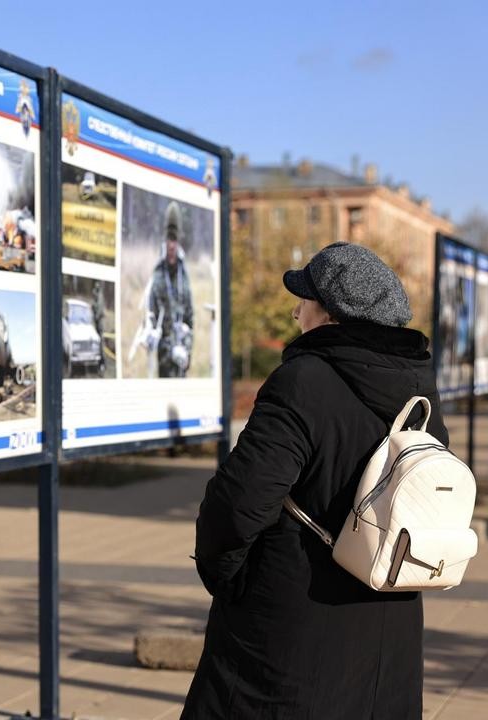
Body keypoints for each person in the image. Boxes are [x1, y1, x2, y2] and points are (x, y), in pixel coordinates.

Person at [182, 242, 447, 719]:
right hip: (390, 619)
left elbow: (238, 505)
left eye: (303, 301)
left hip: (291, 621)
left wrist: (226, 576)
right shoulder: (421, 391)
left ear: (329, 314)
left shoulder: (303, 381)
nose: (294, 312)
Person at [148, 200, 194, 377]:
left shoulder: (185, 275)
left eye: (174, 239)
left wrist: (187, 353)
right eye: (169, 239)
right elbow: (150, 313)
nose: (171, 245)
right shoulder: (158, 274)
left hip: (181, 354)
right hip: (164, 357)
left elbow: (190, 319)